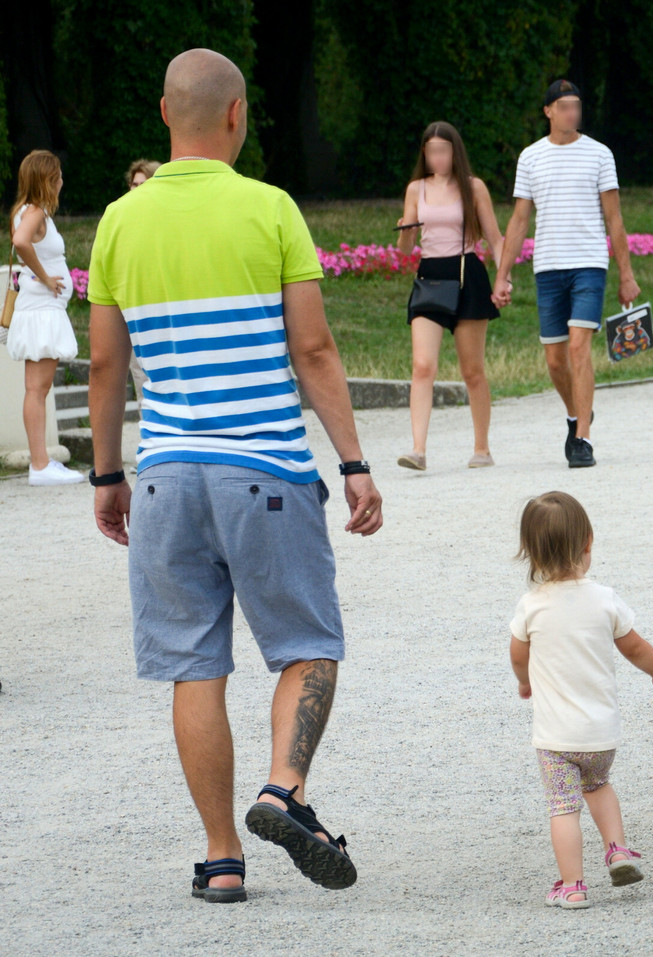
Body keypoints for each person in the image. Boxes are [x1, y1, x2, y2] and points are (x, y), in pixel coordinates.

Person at [86, 48, 383, 903]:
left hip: (165, 476)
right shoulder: (270, 209)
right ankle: (281, 790)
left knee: (193, 667)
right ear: (235, 113)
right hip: (266, 470)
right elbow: (315, 348)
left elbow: (107, 366)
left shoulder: (117, 222)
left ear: (164, 114)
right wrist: (354, 462)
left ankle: (222, 858)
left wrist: (110, 474)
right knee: (309, 643)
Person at [509, 491, 653, 909]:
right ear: (588, 542)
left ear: (530, 552)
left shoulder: (532, 607)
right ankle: (618, 849)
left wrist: (524, 682)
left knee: (563, 806)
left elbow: (518, 656)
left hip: (555, 738)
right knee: (599, 785)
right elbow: (638, 650)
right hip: (601, 736)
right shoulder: (605, 599)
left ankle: (572, 886)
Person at [492, 80, 641, 469]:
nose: (572, 113)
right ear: (548, 112)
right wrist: (502, 275)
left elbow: (615, 218)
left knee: (579, 346)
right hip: (548, 267)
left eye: (576, 106)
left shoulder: (599, 154)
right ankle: (578, 415)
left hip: (589, 263)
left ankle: (583, 441)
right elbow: (520, 218)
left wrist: (626, 275)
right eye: (564, 107)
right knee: (556, 360)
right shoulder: (531, 157)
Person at [394, 121, 505, 471]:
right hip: (430, 276)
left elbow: (495, 238)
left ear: (455, 152)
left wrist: (503, 279)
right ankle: (418, 449)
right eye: (431, 151)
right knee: (422, 365)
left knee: (472, 369)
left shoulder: (473, 187)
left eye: (443, 150)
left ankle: (482, 447)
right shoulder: (416, 189)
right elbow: (405, 250)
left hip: (466, 272)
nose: (437, 157)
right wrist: (404, 232)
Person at [7, 149, 86, 485]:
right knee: (37, 389)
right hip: (41, 310)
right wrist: (43, 275)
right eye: (58, 175)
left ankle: (40, 463)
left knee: (35, 389)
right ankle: (40, 465)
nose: (62, 180)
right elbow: (20, 241)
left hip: (40, 309)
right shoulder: (35, 212)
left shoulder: (27, 210)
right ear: (48, 179)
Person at [124, 159, 161, 403]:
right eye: (133, 185)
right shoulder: (123, 221)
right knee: (139, 376)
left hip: (166, 310)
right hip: (136, 309)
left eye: (142, 185)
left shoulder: (168, 220)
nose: (135, 190)